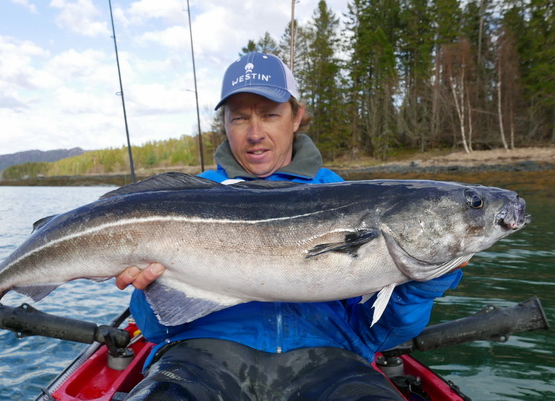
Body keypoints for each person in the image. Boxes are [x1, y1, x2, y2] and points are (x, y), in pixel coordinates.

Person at [115, 52, 463, 400]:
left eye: (269, 115)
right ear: (224, 123)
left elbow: (378, 334)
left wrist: (422, 282)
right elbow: (156, 332)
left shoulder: (349, 196)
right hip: (198, 359)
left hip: (331, 363)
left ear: (296, 117)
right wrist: (150, 290)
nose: (255, 134)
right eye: (239, 118)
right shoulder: (182, 201)